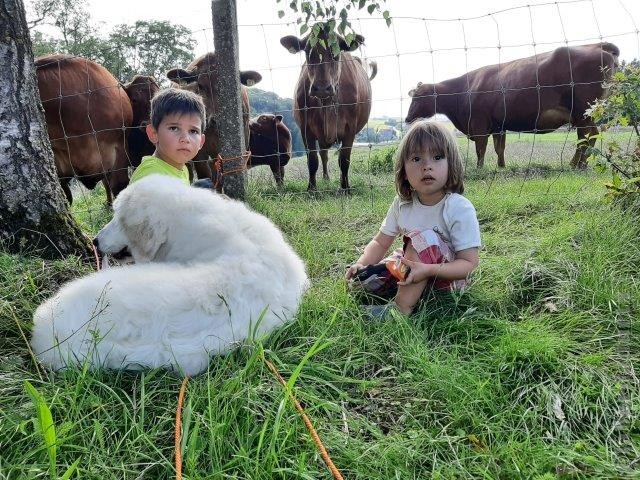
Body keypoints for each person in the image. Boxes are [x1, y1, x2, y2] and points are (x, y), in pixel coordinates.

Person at [345, 120, 481, 316]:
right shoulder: (402, 203)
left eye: (437, 157)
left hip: (446, 281)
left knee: (420, 238)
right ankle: (406, 291)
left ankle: (399, 311)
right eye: (416, 159)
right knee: (360, 282)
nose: (427, 166)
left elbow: (468, 264)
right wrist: (361, 263)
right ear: (404, 172)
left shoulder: (458, 207)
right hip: (410, 268)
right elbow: (381, 242)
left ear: (451, 164)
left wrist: (427, 270)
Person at [129, 88, 206, 185]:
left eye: (193, 131)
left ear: (201, 142)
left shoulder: (180, 168)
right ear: (153, 134)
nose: (185, 139)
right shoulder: (151, 176)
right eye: (174, 128)